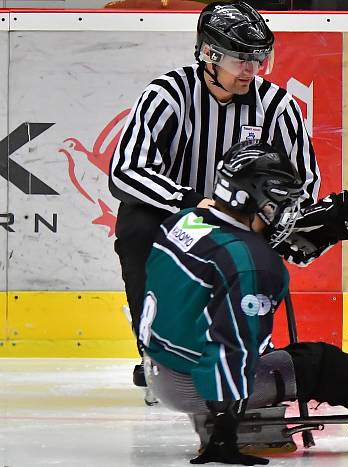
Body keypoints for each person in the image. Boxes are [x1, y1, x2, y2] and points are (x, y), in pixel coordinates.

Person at [141, 139, 348, 465]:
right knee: (318, 364)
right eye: (278, 200)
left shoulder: (184, 220)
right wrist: (226, 433)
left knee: (277, 350)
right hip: (193, 385)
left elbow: (224, 260)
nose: (283, 210)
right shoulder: (254, 263)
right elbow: (235, 350)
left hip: (160, 369)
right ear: (256, 199)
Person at [109, 1, 320, 394]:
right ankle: (155, 349)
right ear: (209, 54)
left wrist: (281, 225)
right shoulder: (168, 95)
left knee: (262, 247)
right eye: (240, 60)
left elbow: (305, 180)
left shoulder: (277, 107)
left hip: (243, 223)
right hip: (176, 218)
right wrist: (190, 202)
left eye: (257, 59)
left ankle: (245, 345)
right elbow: (126, 170)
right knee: (136, 228)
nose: (250, 70)